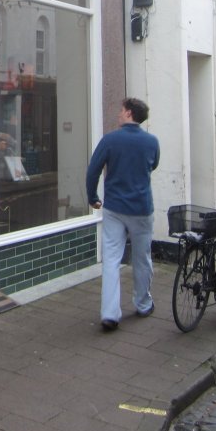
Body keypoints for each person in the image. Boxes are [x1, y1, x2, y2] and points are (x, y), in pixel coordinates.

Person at [86, 97, 160, 331]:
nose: (118, 113)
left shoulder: (110, 140)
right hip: (141, 209)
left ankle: (110, 314)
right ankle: (143, 304)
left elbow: (93, 170)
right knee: (142, 258)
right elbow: (153, 165)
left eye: (121, 110)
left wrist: (92, 197)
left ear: (129, 113)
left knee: (111, 259)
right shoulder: (152, 142)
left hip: (115, 208)